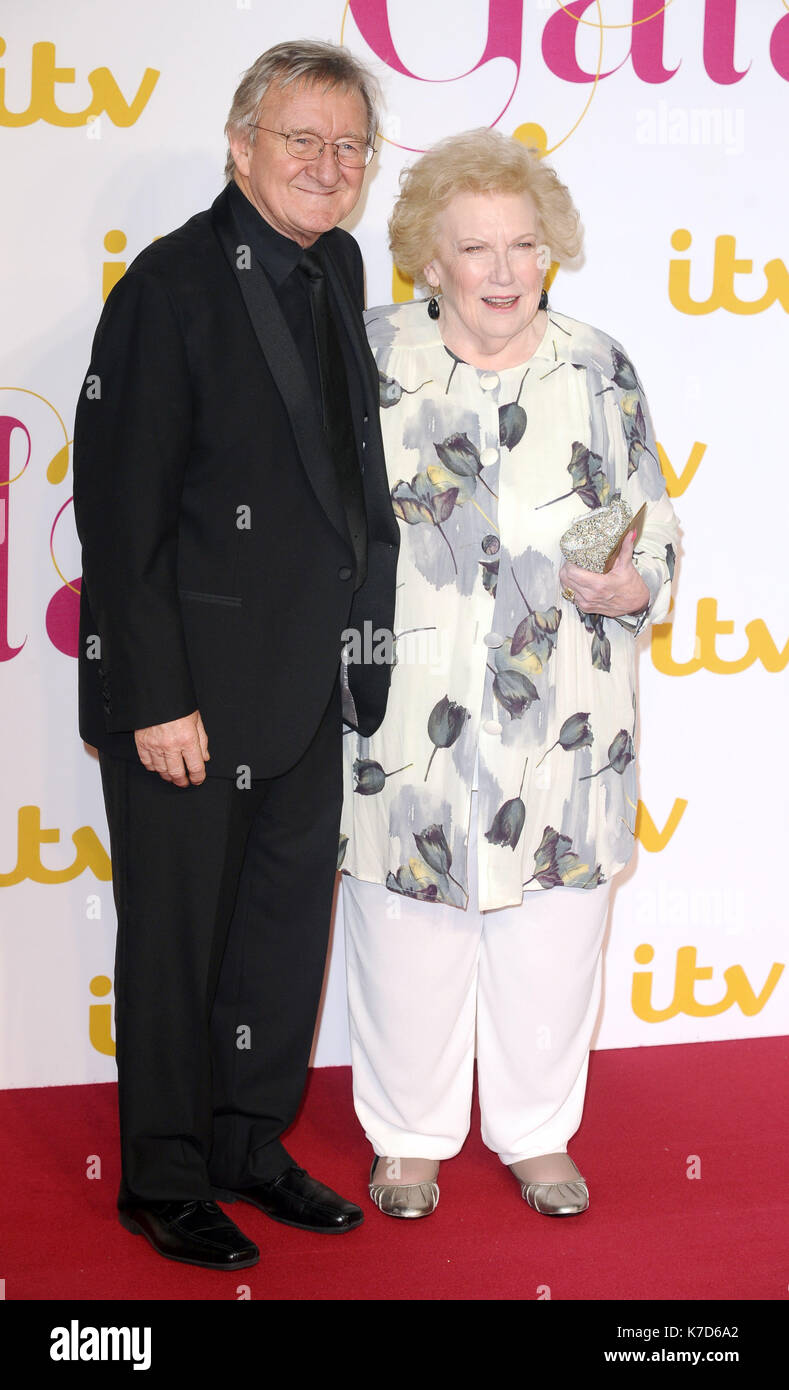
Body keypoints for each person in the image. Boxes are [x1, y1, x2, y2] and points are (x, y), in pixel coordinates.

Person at [73, 40, 398, 1269]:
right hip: (192, 695)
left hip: (310, 680)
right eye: (299, 139)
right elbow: (122, 509)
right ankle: (161, 1178)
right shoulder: (170, 287)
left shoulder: (340, 264)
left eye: (348, 146)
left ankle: (247, 1144)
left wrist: (361, 644)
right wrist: (151, 695)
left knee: (274, 932)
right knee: (174, 936)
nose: (327, 165)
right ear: (239, 142)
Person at [340, 128, 680, 1219]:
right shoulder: (367, 357)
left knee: (554, 925)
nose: (502, 271)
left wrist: (640, 585)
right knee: (406, 925)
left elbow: (655, 515)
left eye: (523, 245)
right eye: (474, 248)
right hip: (407, 707)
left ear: (551, 252)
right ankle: (407, 1136)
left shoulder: (597, 363)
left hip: (568, 709)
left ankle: (537, 1131)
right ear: (429, 261)